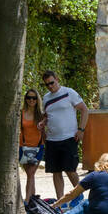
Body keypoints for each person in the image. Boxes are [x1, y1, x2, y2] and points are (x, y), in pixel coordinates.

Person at [40, 69, 89, 200]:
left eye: (51, 83)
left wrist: (81, 129)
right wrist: (43, 123)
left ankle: (80, 199)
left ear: (57, 79)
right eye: (47, 84)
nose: (50, 86)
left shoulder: (69, 92)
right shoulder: (45, 98)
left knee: (70, 170)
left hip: (69, 138)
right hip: (51, 139)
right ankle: (60, 202)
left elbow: (84, 110)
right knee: (56, 171)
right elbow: (47, 116)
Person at [18, 89, 46, 203]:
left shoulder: (42, 114)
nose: (31, 100)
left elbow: (45, 132)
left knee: (30, 174)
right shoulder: (21, 113)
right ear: (25, 99)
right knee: (30, 175)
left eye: (34, 98)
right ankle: (33, 199)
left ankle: (27, 201)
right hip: (23, 147)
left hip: (38, 147)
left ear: (37, 99)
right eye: (29, 97)